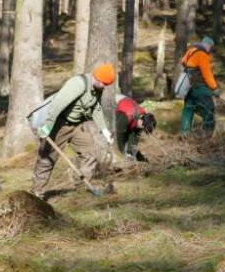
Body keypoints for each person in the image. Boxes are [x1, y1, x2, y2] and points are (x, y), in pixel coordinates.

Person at [32, 64, 116, 199]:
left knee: (89, 154)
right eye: (105, 84)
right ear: (98, 79)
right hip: (59, 125)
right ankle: (37, 193)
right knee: (47, 159)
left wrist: (104, 130)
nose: (106, 87)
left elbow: (96, 109)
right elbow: (57, 104)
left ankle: (81, 190)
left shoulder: (97, 89)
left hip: (77, 125)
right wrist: (48, 125)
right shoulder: (78, 84)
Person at [179, 36, 220, 135]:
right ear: (208, 45)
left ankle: (184, 134)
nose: (210, 50)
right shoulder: (202, 55)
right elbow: (207, 75)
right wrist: (214, 88)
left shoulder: (191, 51)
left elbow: (183, 62)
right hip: (199, 87)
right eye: (210, 47)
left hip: (188, 87)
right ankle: (207, 136)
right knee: (209, 109)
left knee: (188, 109)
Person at [115, 94, 156, 162]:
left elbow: (135, 137)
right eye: (143, 127)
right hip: (115, 104)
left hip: (126, 107)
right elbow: (119, 135)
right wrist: (123, 153)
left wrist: (132, 153)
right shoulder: (127, 116)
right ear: (142, 120)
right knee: (123, 136)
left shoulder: (143, 118)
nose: (142, 129)